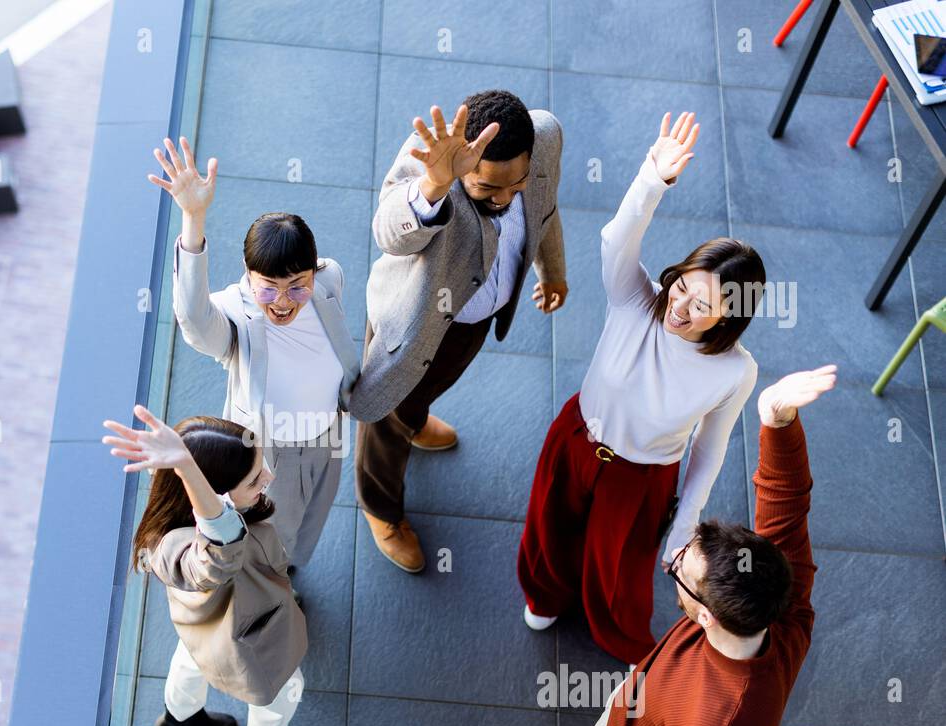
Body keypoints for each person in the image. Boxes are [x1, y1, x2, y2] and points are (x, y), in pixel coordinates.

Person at [534, 364, 837, 726]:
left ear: (708, 617)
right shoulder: (779, 597)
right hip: (637, 718)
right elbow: (787, 506)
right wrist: (775, 421)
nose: (671, 560)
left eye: (681, 572)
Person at [517, 111, 763, 664]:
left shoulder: (734, 371)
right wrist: (654, 178)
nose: (680, 307)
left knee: (619, 565)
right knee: (548, 525)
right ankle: (546, 592)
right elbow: (616, 237)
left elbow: (710, 447)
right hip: (579, 435)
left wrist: (685, 521)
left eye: (703, 306)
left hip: (643, 473)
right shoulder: (637, 296)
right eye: (683, 287)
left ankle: (618, 634)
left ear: (729, 318)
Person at [351, 90, 567, 573]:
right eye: (489, 191)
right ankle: (381, 510)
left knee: (433, 381)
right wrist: (432, 185)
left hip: (473, 315)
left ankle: (417, 415)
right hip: (418, 316)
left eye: (517, 184)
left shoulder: (546, 136)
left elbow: (545, 208)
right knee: (385, 419)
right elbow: (389, 232)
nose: (507, 199)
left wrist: (552, 271)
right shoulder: (429, 160)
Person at [150, 137, 362, 600]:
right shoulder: (236, 314)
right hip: (271, 452)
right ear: (248, 277)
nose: (283, 302)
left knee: (314, 514)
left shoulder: (330, 280)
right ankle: (272, 588)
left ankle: (290, 568)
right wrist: (193, 219)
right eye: (269, 287)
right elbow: (193, 320)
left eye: (296, 286)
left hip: (327, 433)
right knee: (274, 529)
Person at [103, 404, 316, 726]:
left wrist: (184, 463)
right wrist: (187, 467)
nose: (267, 477)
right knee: (280, 694)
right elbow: (220, 552)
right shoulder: (191, 547)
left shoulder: (175, 511)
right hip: (250, 637)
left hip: (207, 626)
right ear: (215, 495)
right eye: (253, 479)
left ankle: (179, 717)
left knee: (192, 659)